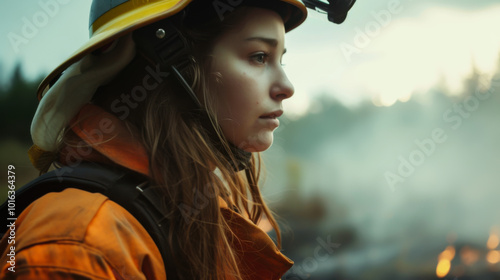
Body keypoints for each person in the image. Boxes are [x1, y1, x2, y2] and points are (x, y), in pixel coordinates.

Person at [0, 0, 309, 279]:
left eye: (279, 59)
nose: (286, 86)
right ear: (164, 56)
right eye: (258, 56)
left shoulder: (184, 207)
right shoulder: (78, 246)